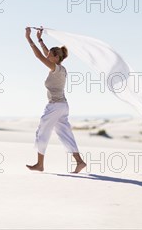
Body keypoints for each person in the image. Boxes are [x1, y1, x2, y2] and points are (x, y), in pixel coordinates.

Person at [25, 26, 87, 174]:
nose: (47, 56)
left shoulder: (55, 68)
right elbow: (46, 53)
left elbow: (39, 56)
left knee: (42, 132)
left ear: (56, 58)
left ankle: (40, 164)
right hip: (63, 106)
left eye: (50, 55)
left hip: (54, 106)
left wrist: (29, 39)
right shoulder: (61, 68)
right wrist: (40, 39)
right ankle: (79, 162)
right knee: (65, 133)